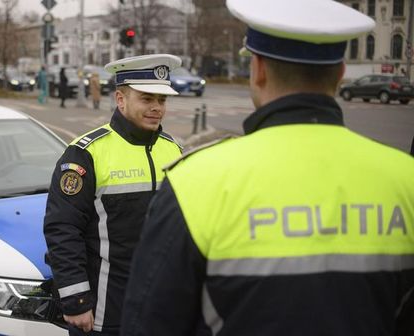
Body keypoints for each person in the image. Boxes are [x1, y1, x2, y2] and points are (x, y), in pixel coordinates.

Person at [121, 1, 414, 335]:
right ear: (341, 73)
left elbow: (150, 322)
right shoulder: (404, 178)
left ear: (258, 70)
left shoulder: (195, 183)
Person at [44, 54, 184, 335]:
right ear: (121, 99)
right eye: (147, 99)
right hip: (104, 313)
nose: (157, 108)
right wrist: (76, 300)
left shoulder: (173, 149)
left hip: (160, 307)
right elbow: (62, 228)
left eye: (162, 101)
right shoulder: (86, 153)